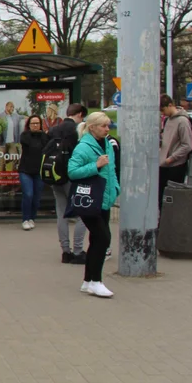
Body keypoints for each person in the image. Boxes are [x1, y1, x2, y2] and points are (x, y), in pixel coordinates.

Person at [68, 112, 120, 298]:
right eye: (103, 126)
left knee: (97, 240)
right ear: (92, 127)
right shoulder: (83, 147)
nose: (107, 129)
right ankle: (96, 281)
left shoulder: (106, 143)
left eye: (108, 125)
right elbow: (72, 172)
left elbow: (112, 170)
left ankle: (88, 281)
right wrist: (95, 166)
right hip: (90, 200)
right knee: (103, 238)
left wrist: (115, 188)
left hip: (104, 199)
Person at [46, 103, 87, 264]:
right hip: (72, 176)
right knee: (81, 213)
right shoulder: (78, 130)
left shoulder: (55, 129)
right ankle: (78, 251)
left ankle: (65, 251)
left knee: (61, 213)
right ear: (80, 114)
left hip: (55, 176)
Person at [158, 94, 192, 213]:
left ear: (170, 105)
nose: (162, 113)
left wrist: (172, 158)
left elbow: (187, 145)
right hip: (164, 164)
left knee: (171, 198)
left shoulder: (182, 121)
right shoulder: (168, 120)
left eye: (163, 110)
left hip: (175, 165)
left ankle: (170, 224)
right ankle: (162, 222)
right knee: (161, 197)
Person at [18, 114, 48, 231]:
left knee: (36, 197)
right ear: (29, 125)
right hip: (25, 170)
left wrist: (43, 134)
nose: (35, 126)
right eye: (33, 123)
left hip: (39, 170)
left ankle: (32, 218)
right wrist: (39, 134)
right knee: (28, 194)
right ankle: (25, 219)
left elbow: (46, 147)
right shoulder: (25, 136)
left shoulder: (44, 136)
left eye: (37, 123)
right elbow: (33, 145)